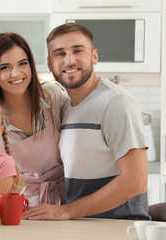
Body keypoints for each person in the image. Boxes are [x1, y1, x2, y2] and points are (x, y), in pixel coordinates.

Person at [23, 22, 150, 220]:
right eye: (60, 53)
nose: (69, 60)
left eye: (77, 51)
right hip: (81, 225)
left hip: (116, 228)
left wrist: (67, 211)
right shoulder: (65, 105)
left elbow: (136, 181)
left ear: (94, 56)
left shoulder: (116, 102)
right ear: (50, 64)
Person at [0, 32, 68, 207]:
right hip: (15, 213)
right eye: (5, 67)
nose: (16, 73)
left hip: (64, 207)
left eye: (22, 64)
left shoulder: (52, 97)